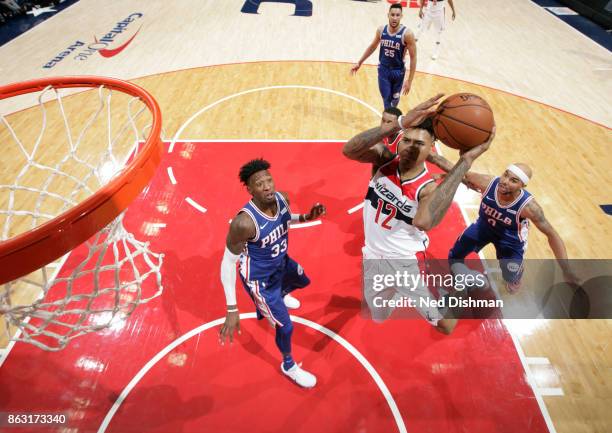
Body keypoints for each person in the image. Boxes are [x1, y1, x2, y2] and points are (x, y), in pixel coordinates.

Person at [342, 93, 494, 334]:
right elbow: (349, 150)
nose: (411, 147)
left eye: (419, 144)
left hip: (405, 262)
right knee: (378, 314)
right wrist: (400, 123)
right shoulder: (383, 161)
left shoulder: (428, 187)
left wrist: (465, 161)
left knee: (445, 325)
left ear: (431, 150)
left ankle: (462, 287)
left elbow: (424, 221)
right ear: (399, 141)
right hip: (372, 253)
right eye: (407, 141)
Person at [219, 159, 326, 388]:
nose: (267, 186)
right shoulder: (244, 223)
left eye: (269, 180)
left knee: (301, 278)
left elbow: (287, 220)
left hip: (280, 264)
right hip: (261, 280)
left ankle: (282, 293)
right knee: (285, 327)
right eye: (259, 184)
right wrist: (231, 308)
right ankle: (289, 365)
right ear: (250, 190)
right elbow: (228, 263)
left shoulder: (282, 198)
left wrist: (307, 217)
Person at [427, 154, 581, 292]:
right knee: (455, 255)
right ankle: (462, 277)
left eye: (513, 181)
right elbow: (461, 172)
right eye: (505, 175)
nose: (505, 182)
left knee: (510, 276)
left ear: (522, 186)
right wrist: (433, 160)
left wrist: (565, 268)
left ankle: (516, 276)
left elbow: (552, 235)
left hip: (510, 240)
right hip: (484, 227)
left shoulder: (529, 207)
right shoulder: (488, 182)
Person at [351, 3, 417, 109]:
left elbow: (413, 58)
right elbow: (372, 46)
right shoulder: (381, 30)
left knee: (394, 100)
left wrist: (410, 80)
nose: (395, 18)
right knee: (387, 100)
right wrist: (360, 62)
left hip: (398, 72)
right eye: (392, 15)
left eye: (397, 15)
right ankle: (388, 122)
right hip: (383, 70)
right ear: (388, 15)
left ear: (401, 16)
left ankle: (390, 117)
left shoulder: (407, 34)